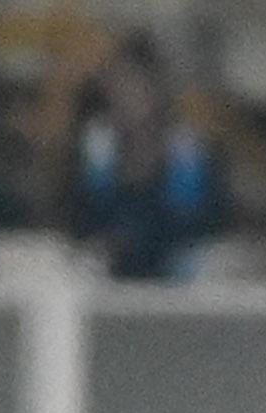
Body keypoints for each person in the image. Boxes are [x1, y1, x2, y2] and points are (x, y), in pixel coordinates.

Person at [69, 35, 220, 281]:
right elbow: (79, 215)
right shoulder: (98, 150)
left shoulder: (187, 153)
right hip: (105, 273)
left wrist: (140, 238)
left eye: (134, 87)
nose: (123, 98)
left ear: (157, 91)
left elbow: (200, 223)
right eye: (116, 87)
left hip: (177, 275)